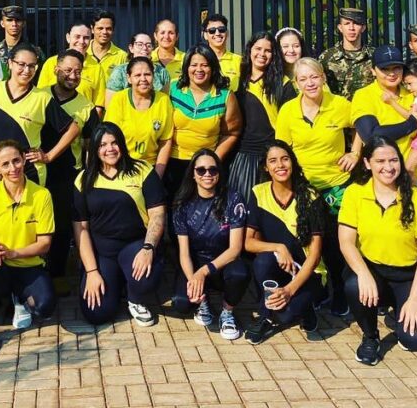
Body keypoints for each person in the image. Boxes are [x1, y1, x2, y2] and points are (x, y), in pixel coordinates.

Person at [339, 137, 417, 365]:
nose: (388, 167)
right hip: (374, 272)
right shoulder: (355, 193)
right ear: (367, 163)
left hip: (409, 276)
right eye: (380, 161)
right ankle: (370, 336)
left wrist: (415, 300)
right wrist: (363, 274)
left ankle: (402, 312)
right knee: (354, 285)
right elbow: (346, 242)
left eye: (394, 160)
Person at [274, 57, 353, 316]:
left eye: (314, 77)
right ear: (296, 84)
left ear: (323, 78)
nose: (310, 83)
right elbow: (282, 149)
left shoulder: (340, 105)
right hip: (304, 186)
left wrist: (355, 152)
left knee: (335, 243)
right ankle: (316, 290)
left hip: (335, 186)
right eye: (303, 79)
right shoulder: (288, 110)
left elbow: (362, 126)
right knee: (307, 240)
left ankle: (340, 291)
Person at [73, 123, 166, 326]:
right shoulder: (83, 179)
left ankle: (135, 298)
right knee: (96, 313)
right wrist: (92, 272)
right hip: (103, 252)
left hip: (135, 246)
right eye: (103, 145)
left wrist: (148, 248)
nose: (110, 149)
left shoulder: (142, 170)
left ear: (122, 144)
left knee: (145, 279)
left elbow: (158, 214)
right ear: (95, 149)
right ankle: (115, 283)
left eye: (114, 143)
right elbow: (81, 229)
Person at [0, 140, 57, 356]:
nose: (13, 168)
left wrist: (14, 253)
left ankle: (20, 300)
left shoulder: (41, 195)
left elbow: (45, 244)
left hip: (28, 264)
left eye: (16, 161)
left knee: (44, 307)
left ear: (24, 159)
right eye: (5, 164)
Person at [244, 141, 326, 345]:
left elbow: (315, 256)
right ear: (266, 167)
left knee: (286, 315)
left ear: (293, 163)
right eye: (273, 161)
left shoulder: (311, 196)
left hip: (308, 272)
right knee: (262, 262)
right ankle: (265, 317)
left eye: (285, 159)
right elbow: (248, 242)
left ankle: (306, 308)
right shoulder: (259, 192)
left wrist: (289, 290)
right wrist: (278, 247)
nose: (280, 165)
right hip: (278, 265)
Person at [351, 47, 417, 225]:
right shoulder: (364, 96)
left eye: (397, 68)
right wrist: (413, 123)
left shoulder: (415, 90)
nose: (392, 73)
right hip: (387, 178)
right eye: (385, 69)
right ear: (373, 71)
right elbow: (370, 135)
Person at [0, 43, 81, 191]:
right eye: (21, 64)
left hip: (30, 174)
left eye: (31, 66)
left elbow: (73, 129)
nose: (26, 70)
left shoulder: (42, 98)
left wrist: (48, 156)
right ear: (10, 63)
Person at [37, 50, 100, 290]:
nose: (73, 76)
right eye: (67, 70)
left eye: (78, 72)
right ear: (56, 69)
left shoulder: (86, 106)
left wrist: (88, 175)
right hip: (35, 169)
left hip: (67, 172)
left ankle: (57, 273)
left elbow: (89, 145)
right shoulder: (39, 95)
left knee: (62, 223)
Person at [171, 149, 248, 341]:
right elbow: (183, 252)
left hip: (224, 262)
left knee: (240, 274)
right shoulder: (182, 203)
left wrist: (203, 272)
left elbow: (235, 249)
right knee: (181, 302)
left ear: (219, 173)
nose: (207, 174)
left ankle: (227, 312)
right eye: (201, 170)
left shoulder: (233, 198)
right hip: (196, 261)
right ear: (193, 174)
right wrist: (193, 281)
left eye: (213, 170)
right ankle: (203, 302)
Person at [167, 45, 242, 200]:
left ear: (213, 68)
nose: (199, 69)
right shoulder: (172, 88)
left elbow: (232, 133)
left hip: (205, 169)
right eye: (194, 65)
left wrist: (214, 159)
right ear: (186, 67)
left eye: (205, 65)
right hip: (172, 163)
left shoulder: (225, 96)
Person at [230, 33, 293, 201]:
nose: (262, 54)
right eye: (258, 49)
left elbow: (291, 122)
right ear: (250, 50)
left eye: (268, 51)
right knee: (241, 206)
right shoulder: (236, 82)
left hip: (272, 155)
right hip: (243, 155)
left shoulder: (283, 83)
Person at [104, 56, 174, 177]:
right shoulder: (119, 99)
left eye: (147, 74)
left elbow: (166, 141)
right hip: (121, 165)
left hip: (150, 167)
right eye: (137, 75)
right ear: (129, 78)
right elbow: (108, 137)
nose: (143, 79)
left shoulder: (163, 100)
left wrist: (157, 175)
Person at [38, 21, 104, 109]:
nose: (81, 41)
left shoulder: (96, 67)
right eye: (77, 37)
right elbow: (41, 95)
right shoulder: (51, 62)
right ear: (68, 38)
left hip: (82, 116)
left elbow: (98, 105)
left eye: (86, 38)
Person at [317, 7, 374, 100]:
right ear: (340, 28)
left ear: (363, 28)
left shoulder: (373, 56)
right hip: (337, 108)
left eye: (356, 23)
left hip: (365, 108)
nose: (351, 28)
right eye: (347, 23)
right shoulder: (327, 57)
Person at [104, 32, 171, 106]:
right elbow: (110, 104)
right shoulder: (120, 71)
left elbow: (166, 101)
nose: (145, 48)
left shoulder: (162, 72)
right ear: (131, 48)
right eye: (140, 44)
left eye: (148, 45)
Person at [0, 5, 45, 76]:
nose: (14, 24)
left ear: (23, 23)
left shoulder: (36, 52)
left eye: (18, 20)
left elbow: (42, 78)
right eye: (9, 20)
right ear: (2, 23)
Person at [202, 13, 242, 91]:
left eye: (221, 30)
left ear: (227, 33)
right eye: (212, 31)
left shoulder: (239, 60)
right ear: (205, 35)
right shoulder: (200, 59)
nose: (217, 33)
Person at [151, 19, 185, 84]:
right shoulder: (149, 58)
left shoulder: (185, 59)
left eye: (171, 33)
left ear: (177, 36)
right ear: (155, 36)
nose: (166, 37)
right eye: (162, 33)